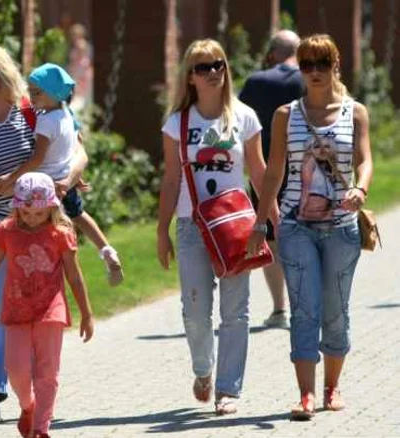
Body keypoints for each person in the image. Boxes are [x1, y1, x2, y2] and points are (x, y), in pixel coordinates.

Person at [0, 42, 89, 423]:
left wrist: (65, 180)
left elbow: (78, 153)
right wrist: (38, 184)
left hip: (46, 229)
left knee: (39, 307)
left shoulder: (33, 111)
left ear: (1, 73)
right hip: (1, 225)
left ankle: (33, 390)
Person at [247, 34, 372, 420]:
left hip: (342, 227)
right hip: (296, 227)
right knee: (304, 309)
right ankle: (305, 394)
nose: (314, 72)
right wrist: (260, 220)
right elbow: (274, 170)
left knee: (335, 311)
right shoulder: (286, 114)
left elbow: (365, 161)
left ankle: (331, 389)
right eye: (307, 65)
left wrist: (359, 188)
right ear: (299, 70)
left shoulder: (356, 112)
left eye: (322, 64)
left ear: (336, 66)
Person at [156, 39, 272, 415]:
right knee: (194, 310)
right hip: (192, 226)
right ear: (190, 77)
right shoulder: (177, 123)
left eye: (218, 64)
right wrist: (162, 232)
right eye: (203, 67)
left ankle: (228, 390)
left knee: (236, 311)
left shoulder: (245, 117)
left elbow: (259, 172)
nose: (213, 72)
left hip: (237, 226)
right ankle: (203, 370)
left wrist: (268, 217)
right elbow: (171, 180)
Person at [0, 172, 94, 438]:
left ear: (51, 208)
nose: (31, 219)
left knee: (47, 372)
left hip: (50, 311)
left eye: (39, 214)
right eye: (26, 213)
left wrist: (86, 314)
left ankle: (41, 428)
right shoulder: (6, 231)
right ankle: (28, 406)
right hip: (16, 312)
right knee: (16, 370)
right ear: (17, 207)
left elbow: (74, 276)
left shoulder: (60, 233)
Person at [0, 62, 123, 286]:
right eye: (30, 91)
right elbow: (68, 149)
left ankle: (39, 276)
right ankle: (107, 250)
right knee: (79, 216)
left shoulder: (45, 121)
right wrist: (74, 177)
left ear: (53, 93)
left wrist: (11, 178)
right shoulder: (66, 114)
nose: (31, 97)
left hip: (46, 186)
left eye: (36, 92)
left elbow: (38, 158)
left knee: (31, 227)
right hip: (67, 182)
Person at [239, 30, 305, 328]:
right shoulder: (310, 78)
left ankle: (279, 309)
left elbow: (239, 120)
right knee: (305, 235)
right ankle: (304, 303)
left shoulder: (257, 81)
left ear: (272, 53)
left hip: (265, 172)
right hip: (306, 170)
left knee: (271, 237)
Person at [66, 23, 93, 112]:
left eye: (74, 34)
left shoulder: (80, 44)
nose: (72, 37)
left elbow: (80, 59)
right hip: (78, 71)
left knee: (80, 94)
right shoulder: (82, 44)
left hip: (80, 71)